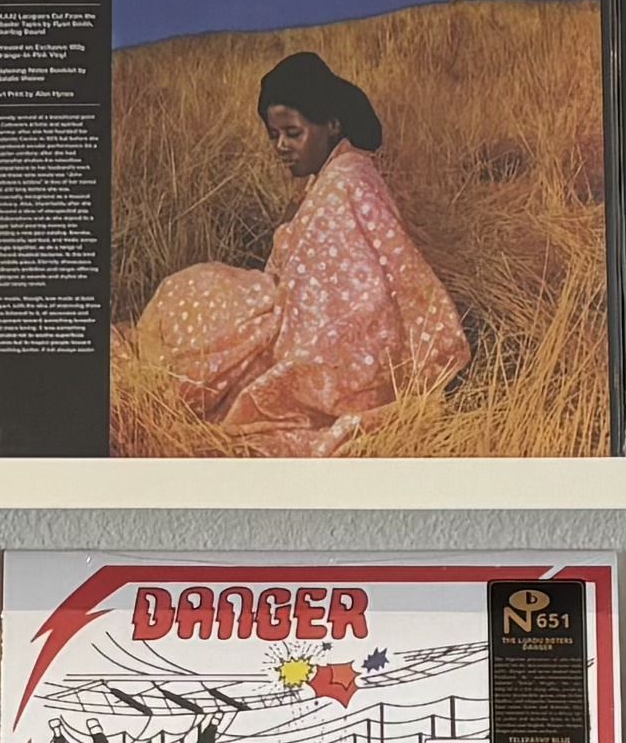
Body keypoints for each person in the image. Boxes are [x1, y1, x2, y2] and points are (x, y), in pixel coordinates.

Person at [130, 52, 470, 453]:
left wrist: (278, 317)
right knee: (185, 290)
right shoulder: (334, 175)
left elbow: (362, 299)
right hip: (280, 306)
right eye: (274, 135)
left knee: (188, 307)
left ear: (331, 124)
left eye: (293, 133)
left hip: (305, 334)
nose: (281, 146)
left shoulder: (347, 183)